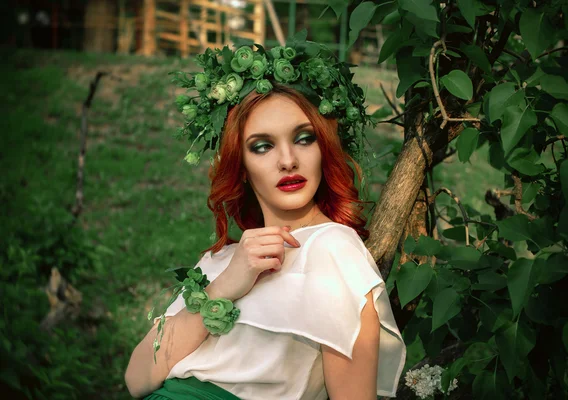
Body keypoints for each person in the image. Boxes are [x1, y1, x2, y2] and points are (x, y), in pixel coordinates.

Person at [125, 38, 406, 400]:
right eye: (263, 146)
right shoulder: (220, 261)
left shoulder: (334, 249)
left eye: (304, 139)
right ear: (241, 167)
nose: (287, 160)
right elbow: (136, 379)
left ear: (324, 147)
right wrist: (225, 286)